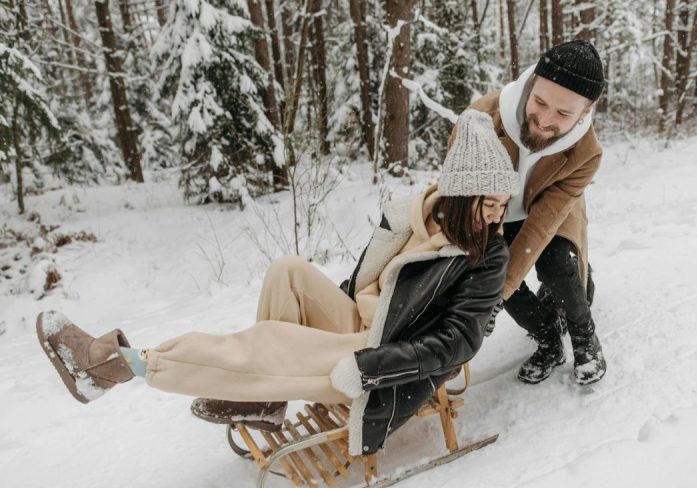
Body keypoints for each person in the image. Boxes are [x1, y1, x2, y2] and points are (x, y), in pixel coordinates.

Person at [34, 110, 518, 457]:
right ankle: (265, 393)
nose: (497, 217)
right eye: (487, 203)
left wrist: (370, 366)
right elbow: (368, 281)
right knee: (288, 269)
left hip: (384, 350)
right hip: (363, 318)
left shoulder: (488, 253)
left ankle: (114, 366)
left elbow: (459, 342)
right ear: (456, 195)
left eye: (502, 204)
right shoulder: (418, 216)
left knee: (266, 341)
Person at [451, 39, 607, 386]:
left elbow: (541, 227)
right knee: (494, 267)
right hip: (494, 209)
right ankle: (549, 339)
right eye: (540, 102)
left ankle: (584, 337)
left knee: (555, 261)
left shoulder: (587, 153)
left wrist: (499, 292)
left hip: (549, 205)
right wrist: (490, 294)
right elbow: (460, 205)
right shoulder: (478, 122)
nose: (544, 120)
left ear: (586, 111)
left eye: (564, 113)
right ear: (532, 82)